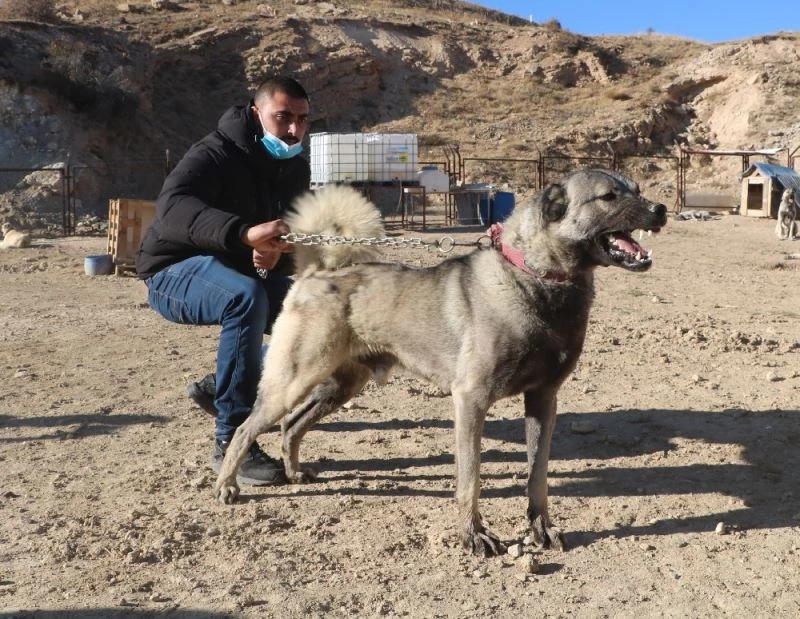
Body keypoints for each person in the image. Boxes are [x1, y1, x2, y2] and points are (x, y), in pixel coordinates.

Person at [135, 76, 312, 486]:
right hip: (171, 271)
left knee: (313, 317)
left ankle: (222, 388)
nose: (294, 129)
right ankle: (232, 441)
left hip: (238, 272)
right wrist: (243, 234)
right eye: (283, 117)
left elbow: (278, 247)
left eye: (303, 119)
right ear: (256, 112)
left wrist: (273, 256)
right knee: (245, 297)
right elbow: (172, 208)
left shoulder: (295, 167)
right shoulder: (214, 152)